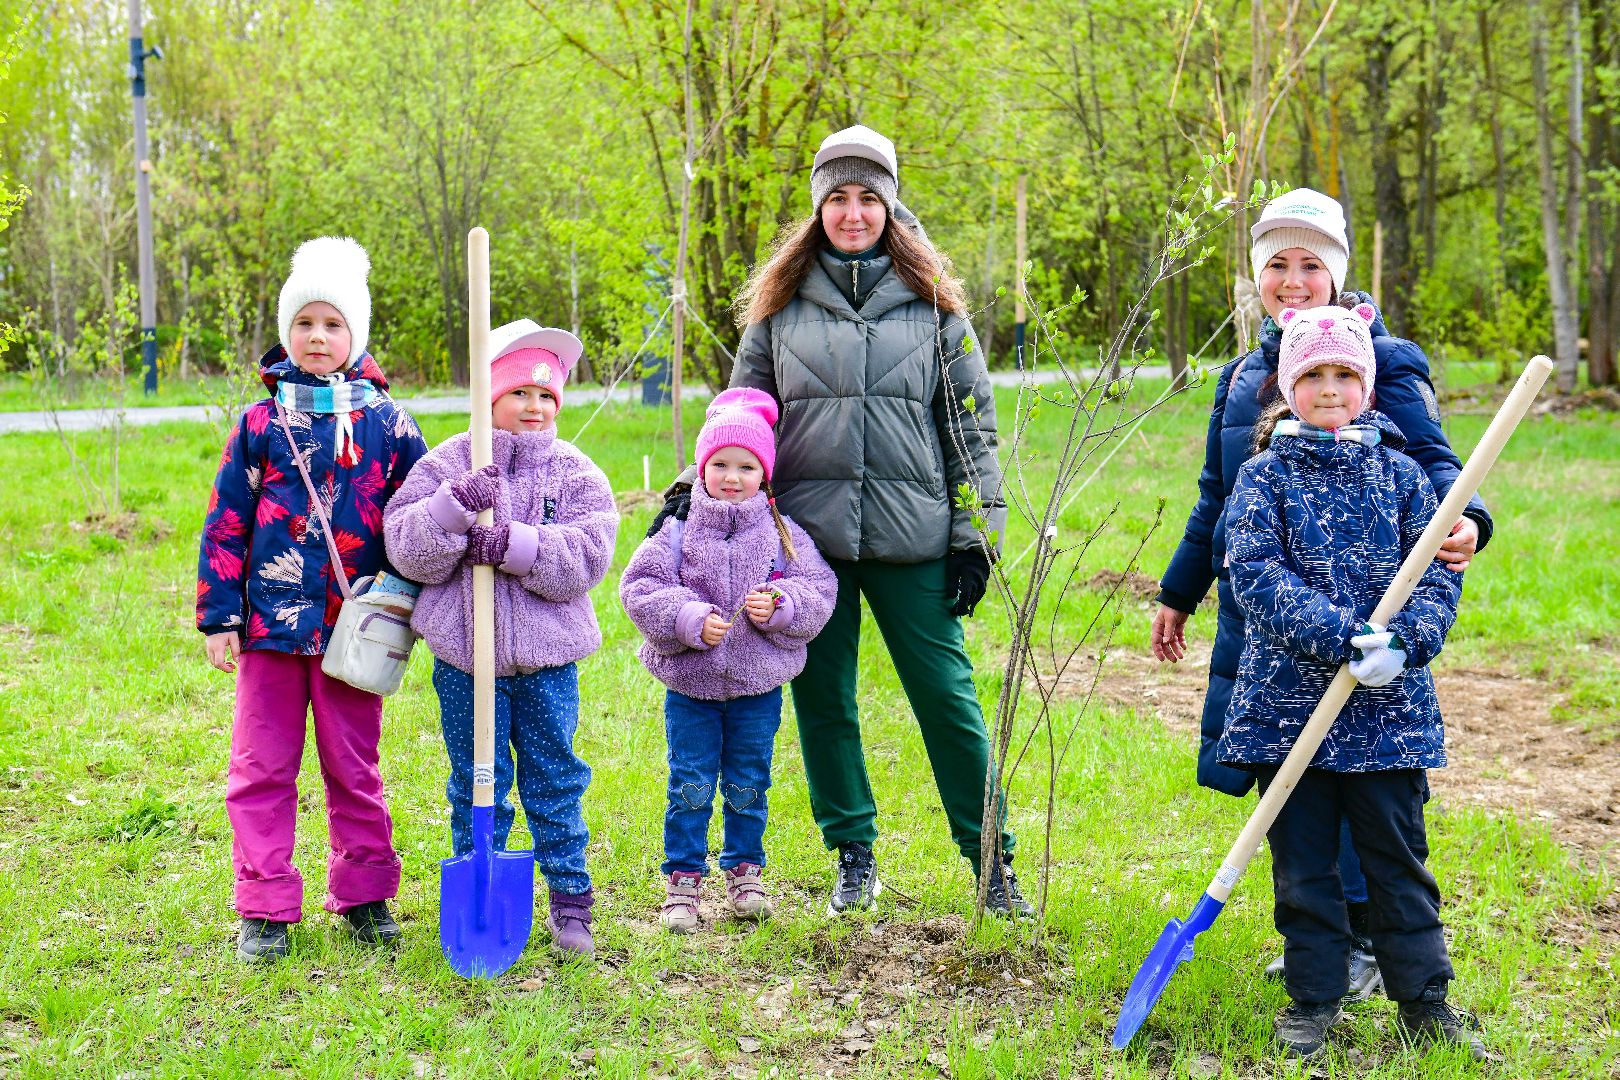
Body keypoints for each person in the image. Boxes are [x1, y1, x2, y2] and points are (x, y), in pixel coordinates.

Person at [652, 124, 1026, 916]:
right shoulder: (779, 311)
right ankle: (854, 856)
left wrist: (976, 538)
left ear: (890, 207)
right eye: (838, 198)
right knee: (824, 703)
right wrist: (694, 485)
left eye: (868, 198)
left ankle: (991, 863)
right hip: (801, 547)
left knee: (947, 701)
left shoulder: (934, 311)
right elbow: (739, 416)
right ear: (818, 206)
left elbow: (972, 431)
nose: (852, 213)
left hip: (914, 539)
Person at [1151, 188, 1492, 990]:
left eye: (1312, 264)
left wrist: (1467, 518)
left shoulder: (1385, 359)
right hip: (1271, 620)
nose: (1294, 279)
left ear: (1337, 273)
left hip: (1362, 612)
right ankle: (1321, 940)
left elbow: (1440, 465)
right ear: (1257, 277)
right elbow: (1215, 495)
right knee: (1294, 778)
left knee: (1359, 773)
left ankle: (1368, 941)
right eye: (1277, 264)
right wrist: (1180, 588)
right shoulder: (1246, 374)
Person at [1217, 303, 1486, 1061]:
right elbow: (1256, 576)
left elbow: (1437, 574)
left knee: (1397, 862)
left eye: (1344, 374)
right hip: (1290, 714)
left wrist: (1405, 641)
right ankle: (1313, 997)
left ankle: (1424, 1000)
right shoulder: (1263, 478)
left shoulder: (1403, 477)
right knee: (1304, 865)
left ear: (1367, 385)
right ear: (1287, 386)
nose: (1329, 389)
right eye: (1312, 375)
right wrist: (1344, 635)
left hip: (1387, 714)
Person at [197, 236, 430, 964]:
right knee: (260, 767)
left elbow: (417, 518)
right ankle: (264, 903)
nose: (318, 337)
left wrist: (405, 594)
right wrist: (219, 614)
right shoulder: (260, 425)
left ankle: (364, 895)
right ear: (285, 332)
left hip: (352, 632)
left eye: (333, 325)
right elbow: (227, 518)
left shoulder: (390, 424)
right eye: (304, 324)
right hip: (269, 628)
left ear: (354, 333)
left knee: (352, 765)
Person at [383, 320, 618, 958]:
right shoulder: (447, 464)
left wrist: (517, 545)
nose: (535, 408)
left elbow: (590, 555)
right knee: (477, 778)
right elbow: (406, 549)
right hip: (465, 661)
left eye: (547, 397)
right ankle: (480, 885)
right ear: (488, 397)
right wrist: (453, 511)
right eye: (520, 394)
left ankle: (571, 900)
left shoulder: (575, 473)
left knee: (554, 777)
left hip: (547, 663)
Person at [621, 389, 837, 933]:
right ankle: (683, 880)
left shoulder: (782, 534)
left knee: (748, 780)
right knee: (690, 782)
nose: (732, 476)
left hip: (757, 686)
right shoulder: (677, 529)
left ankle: (745, 868)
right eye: (720, 463)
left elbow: (820, 588)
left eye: (747, 466)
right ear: (702, 465)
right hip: (691, 687)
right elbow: (641, 588)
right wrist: (688, 619)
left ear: (764, 475)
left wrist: (782, 606)